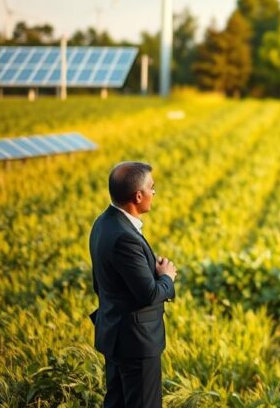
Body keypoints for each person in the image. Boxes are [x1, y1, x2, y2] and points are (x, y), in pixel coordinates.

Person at [89, 162, 177, 408]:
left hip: (115, 333)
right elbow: (149, 294)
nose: (154, 192)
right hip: (135, 343)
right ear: (138, 196)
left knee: (116, 402)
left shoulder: (103, 223)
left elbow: (101, 282)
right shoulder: (125, 237)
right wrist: (166, 277)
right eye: (152, 187)